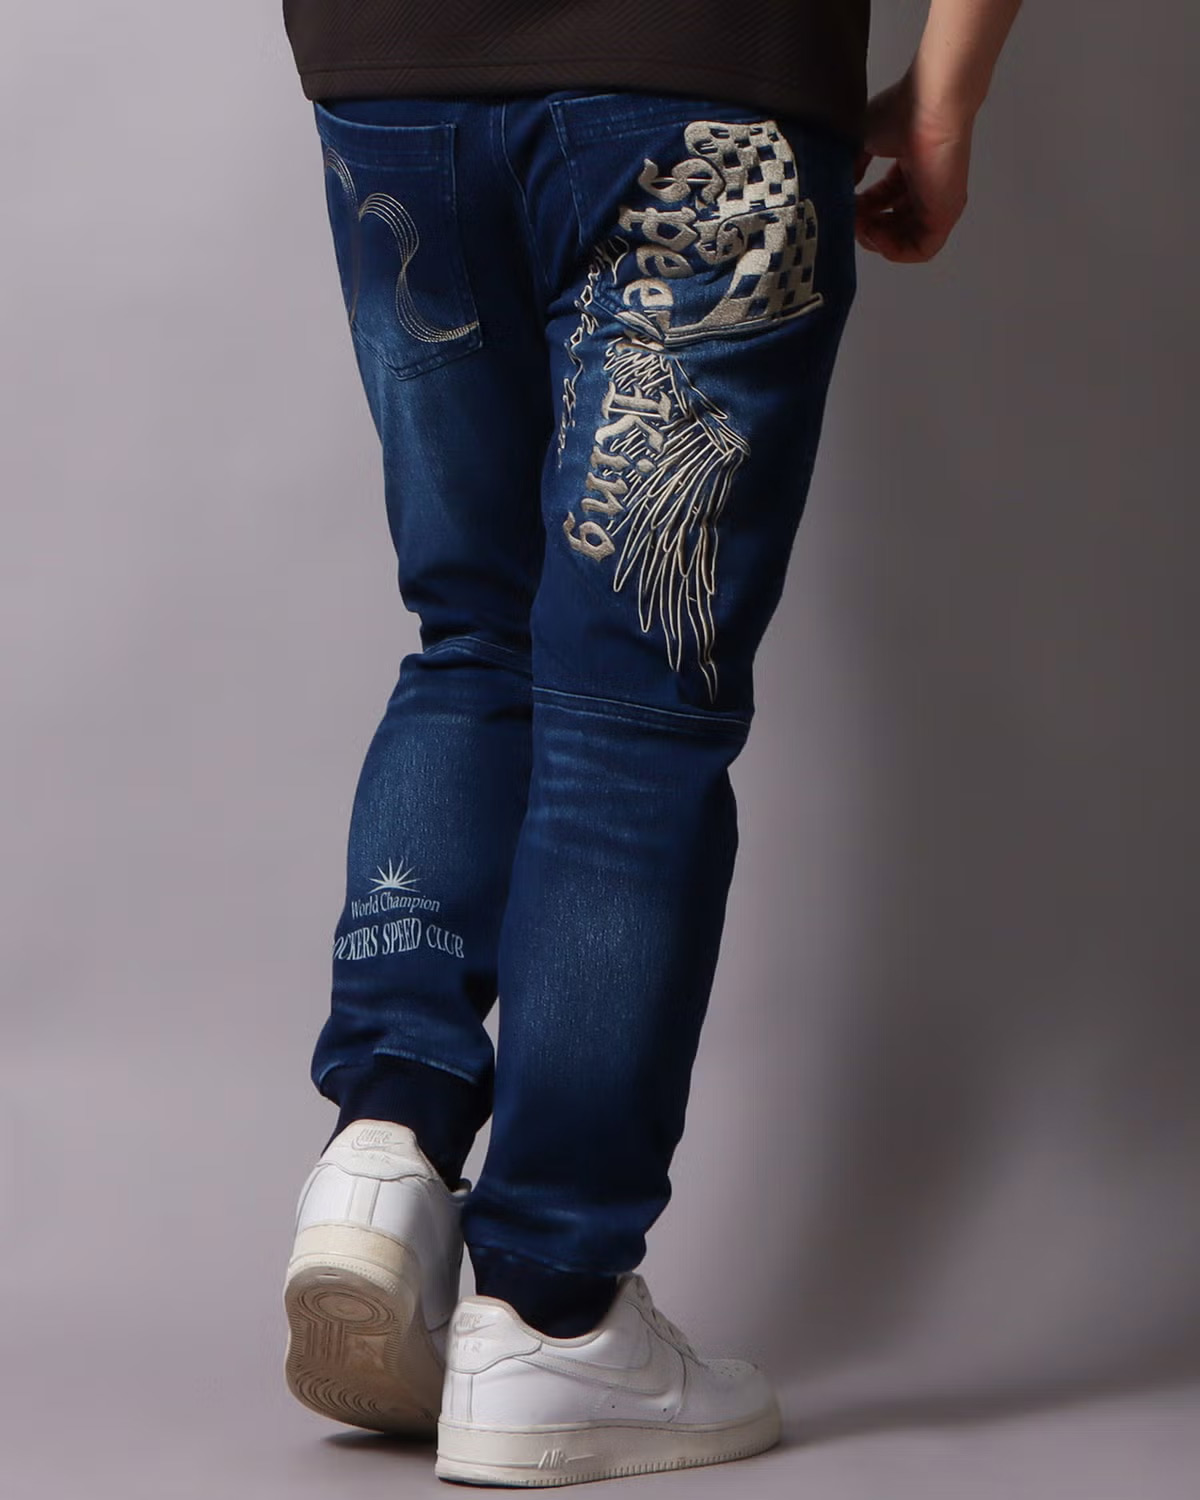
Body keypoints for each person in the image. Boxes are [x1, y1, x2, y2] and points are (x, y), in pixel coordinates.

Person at [277, 0, 1024, 1485]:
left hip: (396, 75)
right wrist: (943, 102)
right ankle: (550, 1315)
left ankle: (387, 1146)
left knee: (473, 632)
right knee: (634, 710)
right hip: (707, 76)